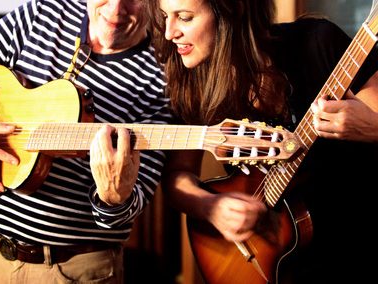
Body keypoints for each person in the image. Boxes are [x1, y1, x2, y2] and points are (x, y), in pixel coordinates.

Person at [147, 0, 378, 283]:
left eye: (184, 17)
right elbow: (177, 177)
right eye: (164, 17)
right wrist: (211, 207)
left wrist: (371, 127)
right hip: (284, 263)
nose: (170, 32)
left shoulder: (318, 42)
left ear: (230, 13)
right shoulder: (195, 82)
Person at [0, 0, 173, 283]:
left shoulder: (163, 79)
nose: (116, 9)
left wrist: (114, 198)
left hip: (72, 271)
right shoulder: (43, 11)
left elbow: (122, 214)